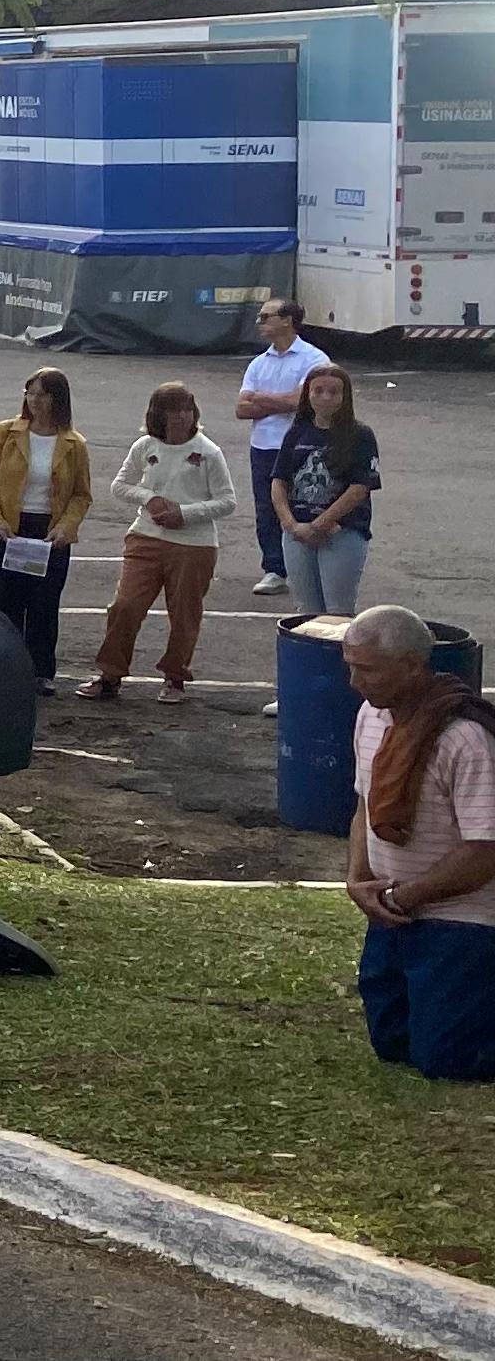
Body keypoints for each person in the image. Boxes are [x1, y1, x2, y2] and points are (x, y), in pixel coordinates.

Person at [341, 605, 495, 1083]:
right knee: (393, 1044)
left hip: (461, 918)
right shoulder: (371, 716)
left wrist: (402, 897)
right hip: (394, 909)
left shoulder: (465, 737)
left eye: (366, 669)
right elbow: (365, 806)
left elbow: (485, 851)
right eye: (350, 666)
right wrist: (357, 880)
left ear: (411, 665)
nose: (353, 682)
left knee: (447, 1061)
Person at [82, 383, 237, 704]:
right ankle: (110, 673)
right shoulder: (145, 447)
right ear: (157, 415)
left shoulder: (207, 452)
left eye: (186, 410)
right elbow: (121, 485)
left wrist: (185, 513)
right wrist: (149, 499)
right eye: (173, 411)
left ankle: (175, 677)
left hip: (194, 545)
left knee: (183, 613)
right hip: (146, 538)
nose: (181, 417)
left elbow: (227, 501)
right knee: (126, 605)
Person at [0, 368, 89, 692]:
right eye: (30, 393)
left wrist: (67, 526)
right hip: (8, 528)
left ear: (57, 399)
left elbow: (81, 494)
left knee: (43, 605)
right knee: (6, 601)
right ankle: (3, 667)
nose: (34, 400)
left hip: (49, 532)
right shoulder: (6, 433)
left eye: (42, 394)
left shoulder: (73, 444)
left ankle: (40, 671)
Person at [232, 298, 328, 597]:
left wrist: (262, 399)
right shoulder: (259, 362)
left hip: (300, 444)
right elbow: (241, 408)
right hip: (263, 445)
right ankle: (274, 569)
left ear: (287, 320)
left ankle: (308, 565)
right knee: (266, 508)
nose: (260, 322)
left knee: (304, 502)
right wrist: (280, 402)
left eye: (266, 316)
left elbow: (302, 403)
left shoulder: (313, 359)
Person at [273, 364, 380, 615]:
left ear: (345, 397)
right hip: (297, 532)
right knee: (306, 611)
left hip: (341, 532)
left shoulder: (360, 435)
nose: (325, 398)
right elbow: (279, 481)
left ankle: (340, 655)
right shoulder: (296, 433)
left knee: (338, 610)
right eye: (318, 390)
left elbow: (360, 488)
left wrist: (320, 524)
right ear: (307, 394)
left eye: (334, 392)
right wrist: (291, 525)